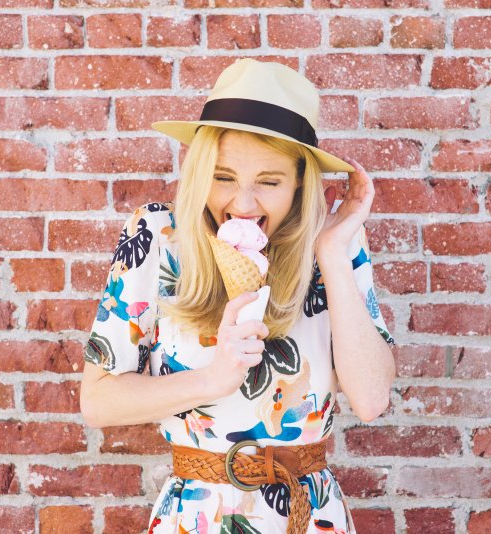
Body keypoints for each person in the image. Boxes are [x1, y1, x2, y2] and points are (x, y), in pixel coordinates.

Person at [80, 58, 396, 534]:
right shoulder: (157, 237)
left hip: (306, 515)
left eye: (269, 182)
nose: (243, 204)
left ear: (299, 183)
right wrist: (212, 379)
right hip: (197, 517)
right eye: (223, 178)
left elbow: (371, 399)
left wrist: (330, 251)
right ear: (201, 170)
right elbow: (97, 402)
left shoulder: (337, 243)